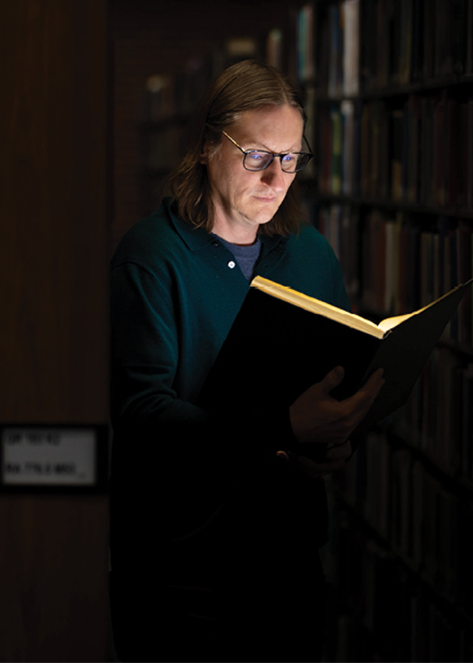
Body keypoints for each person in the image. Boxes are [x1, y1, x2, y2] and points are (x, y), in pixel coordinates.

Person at [108, 59, 383, 662]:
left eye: (291, 158)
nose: (276, 177)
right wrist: (284, 427)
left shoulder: (309, 253)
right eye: (256, 155)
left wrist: (332, 443)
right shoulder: (152, 257)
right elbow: (141, 414)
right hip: (185, 566)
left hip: (288, 555)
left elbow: (334, 376)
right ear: (208, 146)